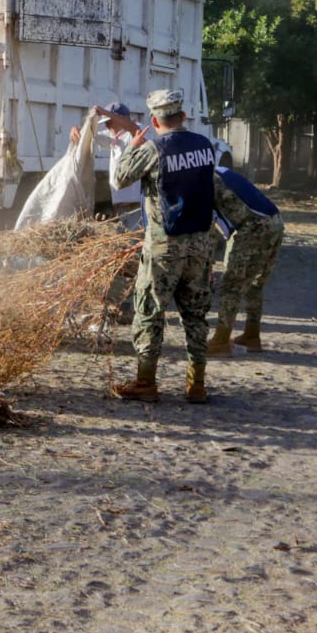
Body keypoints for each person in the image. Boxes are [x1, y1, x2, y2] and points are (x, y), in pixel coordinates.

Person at [101, 88, 219, 403]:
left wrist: (133, 147)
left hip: (164, 247)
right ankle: (197, 384)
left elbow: (121, 178)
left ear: (154, 120)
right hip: (199, 244)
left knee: (149, 312)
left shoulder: (155, 148)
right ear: (183, 116)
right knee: (195, 313)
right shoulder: (205, 146)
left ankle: (146, 382)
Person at [205, 166, 284, 356]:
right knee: (255, 283)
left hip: (252, 226)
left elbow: (209, 230)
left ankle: (221, 340)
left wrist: (207, 264)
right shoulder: (220, 170)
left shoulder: (203, 182)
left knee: (232, 284)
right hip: (275, 220)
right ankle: (251, 335)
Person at [73, 103, 144, 230]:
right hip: (121, 208)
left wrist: (105, 112)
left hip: (136, 207)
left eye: (109, 122)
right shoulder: (114, 138)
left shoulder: (135, 133)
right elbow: (91, 136)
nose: (106, 125)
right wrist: (76, 129)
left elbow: (133, 128)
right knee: (126, 246)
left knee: (136, 244)